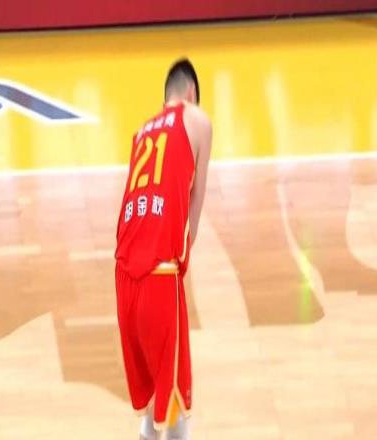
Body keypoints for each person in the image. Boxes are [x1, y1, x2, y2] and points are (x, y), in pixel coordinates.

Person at [115, 58, 212, 440]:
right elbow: (195, 200)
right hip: (160, 273)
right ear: (191, 92)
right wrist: (182, 256)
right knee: (174, 410)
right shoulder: (196, 118)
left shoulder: (141, 132)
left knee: (152, 407)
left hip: (124, 276)